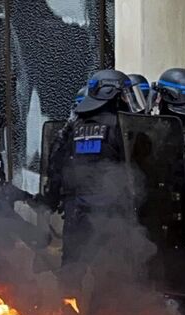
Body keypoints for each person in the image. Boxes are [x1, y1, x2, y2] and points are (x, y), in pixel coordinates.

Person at [43, 68, 131, 265]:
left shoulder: (73, 127)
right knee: (111, 271)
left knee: (73, 269)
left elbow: (56, 164)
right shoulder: (121, 126)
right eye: (124, 95)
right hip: (110, 213)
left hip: (76, 211)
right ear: (112, 95)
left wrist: (51, 200)